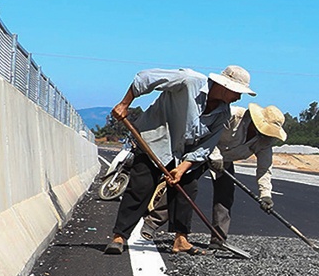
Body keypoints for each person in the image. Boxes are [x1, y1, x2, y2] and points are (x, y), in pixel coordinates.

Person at [103, 66, 255, 254]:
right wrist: (124, 104)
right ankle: (119, 236)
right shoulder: (189, 81)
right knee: (141, 187)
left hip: (182, 153)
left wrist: (182, 169)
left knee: (188, 187)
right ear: (225, 86)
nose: (238, 97)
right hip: (155, 141)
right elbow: (145, 78)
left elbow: (205, 146)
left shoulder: (223, 114)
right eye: (237, 92)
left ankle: (181, 239)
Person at [207, 104, 287, 248]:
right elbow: (207, 131)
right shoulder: (232, 116)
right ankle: (166, 227)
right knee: (185, 186)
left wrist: (265, 195)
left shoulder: (265, 142)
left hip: (225, 161)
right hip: (202, 151)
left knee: (225, 196)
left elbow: (264, 169)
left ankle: (218, 240)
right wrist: (214, 155)